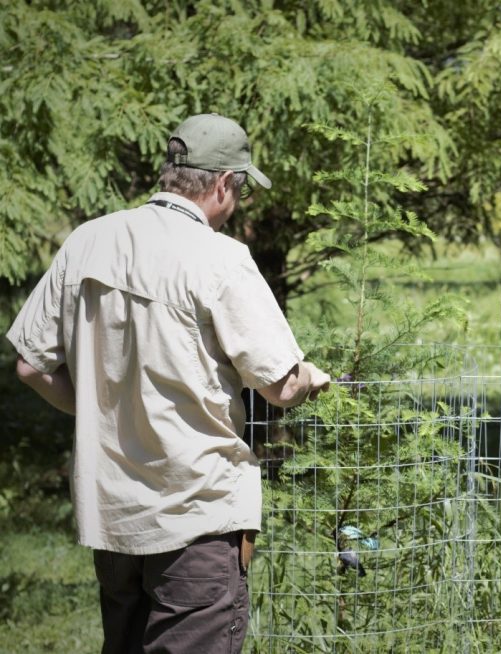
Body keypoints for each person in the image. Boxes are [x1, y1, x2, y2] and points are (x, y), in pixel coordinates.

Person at [7, 113, 332, 653]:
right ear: (224, 184)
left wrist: (100, 407)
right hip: (196, 515)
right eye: (241, 187)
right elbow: (281, 386)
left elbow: (29, 365)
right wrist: (313, 378)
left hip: (112, 516)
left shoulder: (88, 241)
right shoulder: (221, 259)